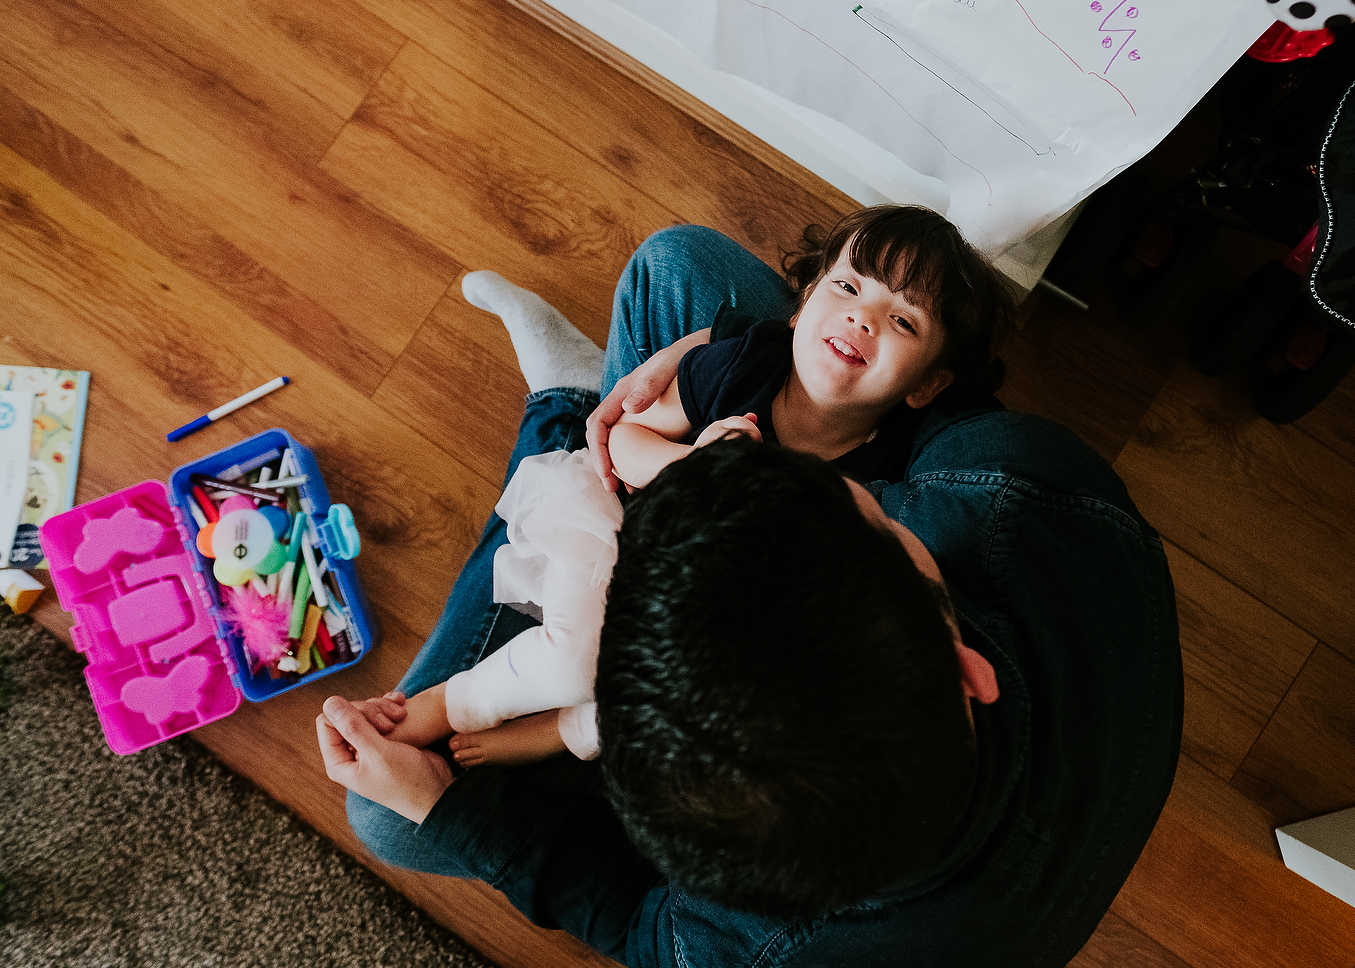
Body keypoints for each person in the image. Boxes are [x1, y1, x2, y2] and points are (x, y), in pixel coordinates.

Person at [319, 222, 1183, 966]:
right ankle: (580, 413)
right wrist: (696, 361)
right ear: (967, 669)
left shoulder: (761, 950)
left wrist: (443, 802)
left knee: (390, 816)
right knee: (680, 269)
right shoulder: (1027, 485)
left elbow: (636, 924)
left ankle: (560, 407)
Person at [356, 206, 1017, 770]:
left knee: (657, 705)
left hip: (717, 614)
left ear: (927, 386)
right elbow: (622, 440)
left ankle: (557, 734)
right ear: (802, 307)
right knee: (574, 660)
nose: (863, 318)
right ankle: (450, 701)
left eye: (904, 321)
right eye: (846, 287)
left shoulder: (890, 473)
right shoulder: (743, 368)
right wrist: (698, 467)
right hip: (623, 536)